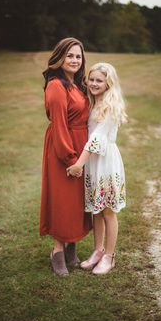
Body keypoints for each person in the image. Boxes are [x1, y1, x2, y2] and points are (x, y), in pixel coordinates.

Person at [67, 63, 127, 275]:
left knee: (108, 211)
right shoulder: (93, 102)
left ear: (108, 83)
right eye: (91, 79)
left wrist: (78, 164)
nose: (93, 83)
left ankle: (109, 256)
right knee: (96, 210)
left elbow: (97, 139)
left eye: (99, 80)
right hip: (94, 162)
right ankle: (98, 251)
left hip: (105, 161)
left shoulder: (110, 105)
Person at [40, 37, 92, 276]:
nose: (74, 60)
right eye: (69, 55)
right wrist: (71, 159)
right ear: (60, 57)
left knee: (78, 200)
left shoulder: (79, 83)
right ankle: (58, 251)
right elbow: (60, 125)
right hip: (64, 148)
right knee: (63, 200)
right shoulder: (56, 85)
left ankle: (72, 246)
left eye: (78, 56)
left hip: (81, 146)